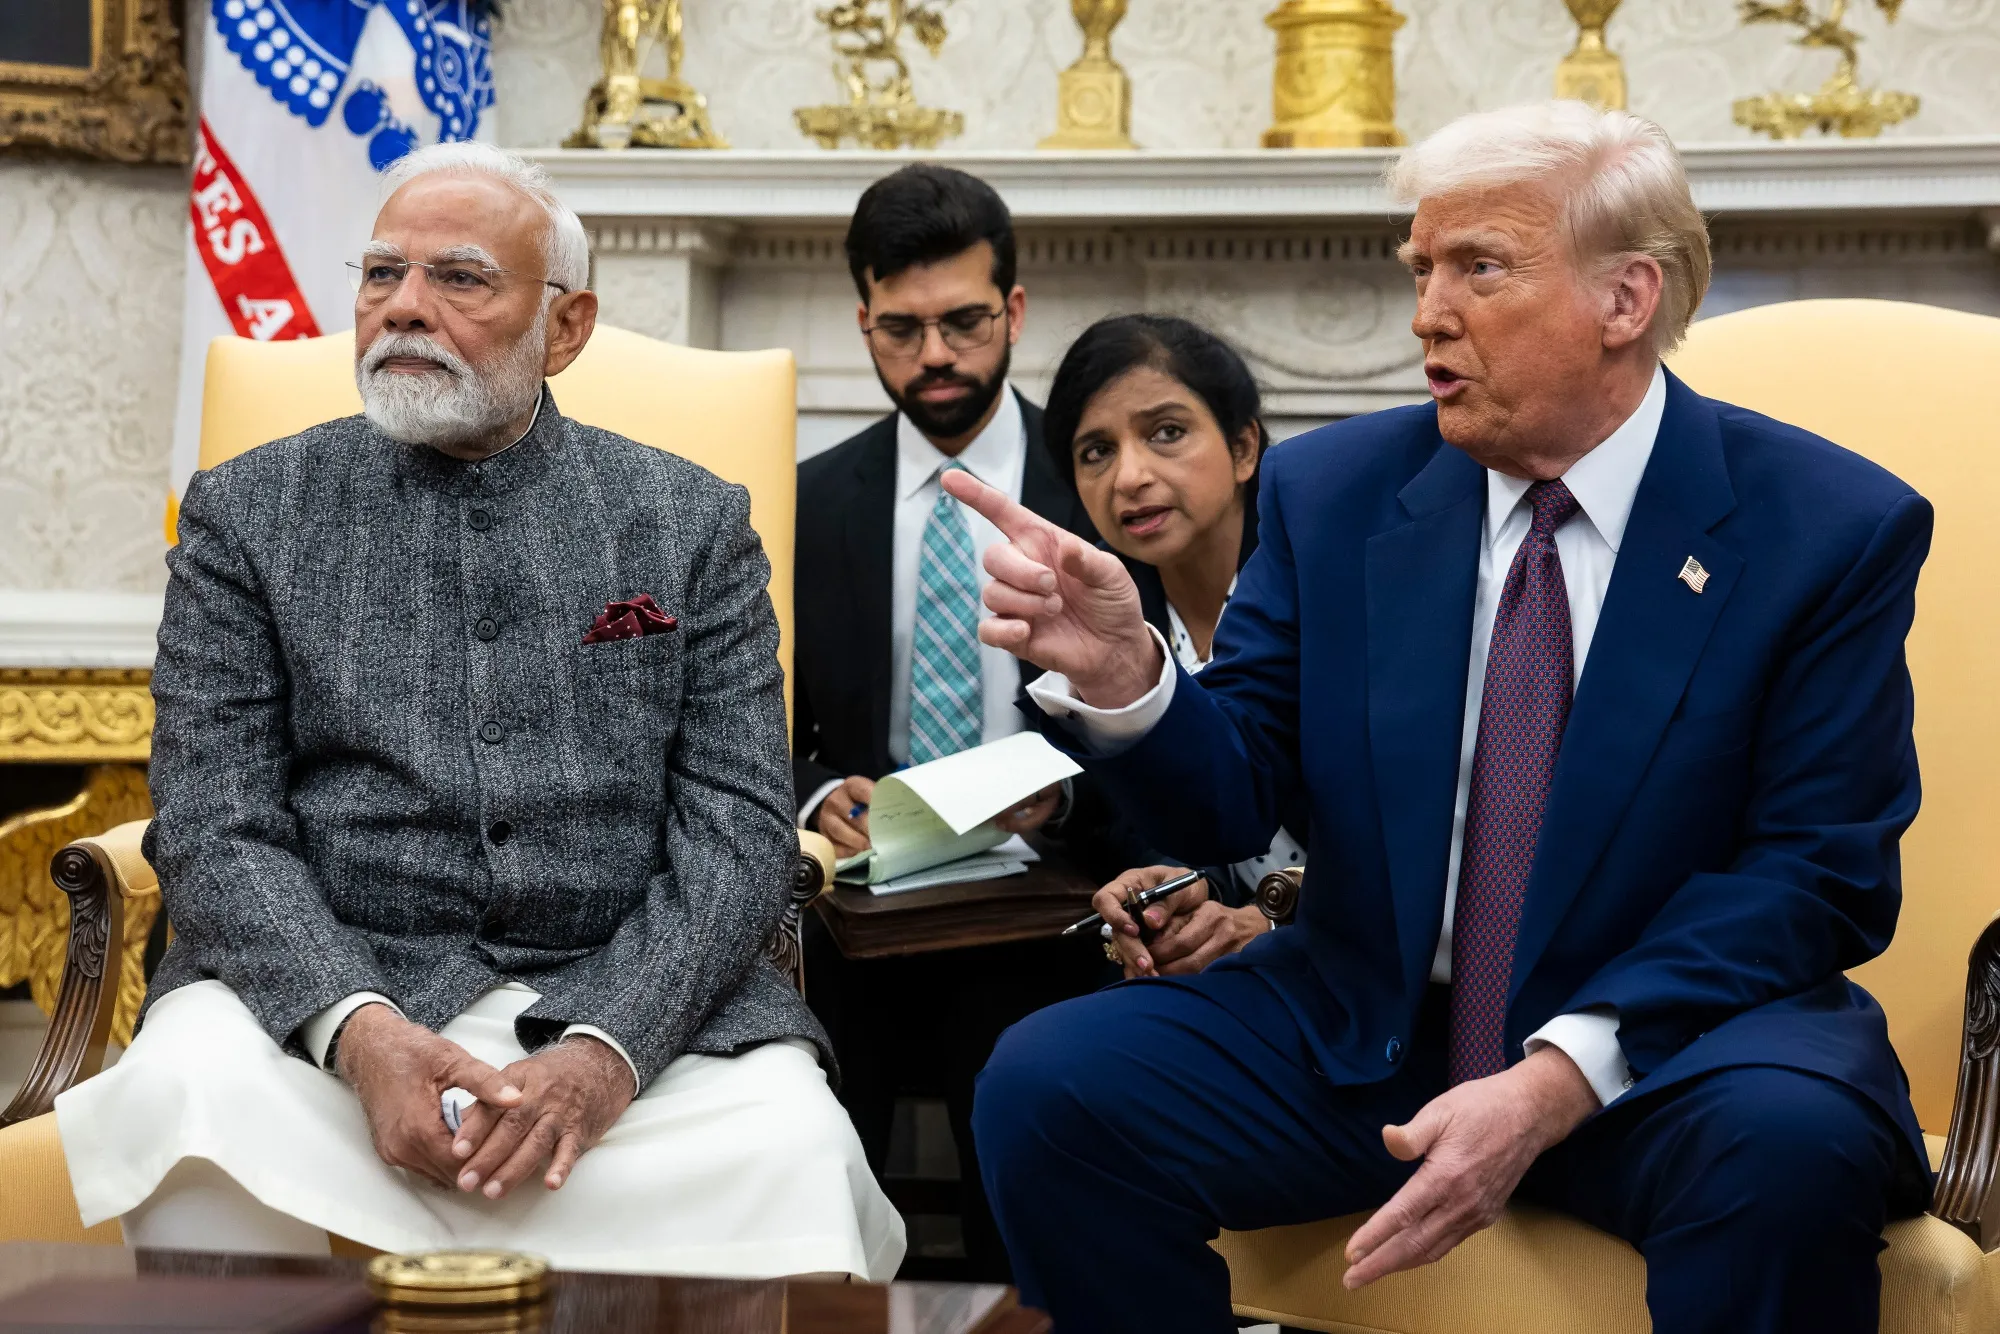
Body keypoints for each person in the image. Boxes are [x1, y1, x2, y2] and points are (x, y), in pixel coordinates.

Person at [955, 102, 1934, 1333]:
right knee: (1048, 1087)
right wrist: (1126, 680)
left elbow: (1817, 872)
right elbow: (1237, 790)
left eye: (1479, 267)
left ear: (1624, 300)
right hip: (1373, 1026)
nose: (1427, 311)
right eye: (1421, 267)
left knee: (1787, 1149)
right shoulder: (1334, 488)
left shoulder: (1825, 527)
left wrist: (1555, 1073)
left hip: (1670, 1048)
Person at [54, 143, 904, 1280]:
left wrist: (607, 1047)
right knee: (187, 1089)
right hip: (320, 999)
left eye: (458, 278)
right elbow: (215, 821)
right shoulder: (248, 512)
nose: (404, 307)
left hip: (630, 1008)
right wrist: (358, 1031)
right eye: (379, 275)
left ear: (566, 326)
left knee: (790, 1145)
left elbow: (740, 828)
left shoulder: (689, 522)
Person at [789, 163, 1105, 1279]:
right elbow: (742, 721)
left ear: (1013, 311)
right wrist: (819, 794)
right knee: (794, 1094)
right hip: (857, 912)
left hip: (1052, 902)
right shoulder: (803, 499)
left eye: (964, 322)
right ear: (862, 320)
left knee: (1020, 1075)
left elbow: (1178, 700)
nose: (935, 356)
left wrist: (1068, 787)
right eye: (901, 327)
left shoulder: (1100, 484)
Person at [1040, 314, 1306, 977]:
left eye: (1166, 433)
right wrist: (1163, 898)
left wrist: (1274, 911)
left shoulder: (1328, 581)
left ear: (1245, 449)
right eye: (1095, 451)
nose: (1129, 476)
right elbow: (1137, 824)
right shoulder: (1092, 613)